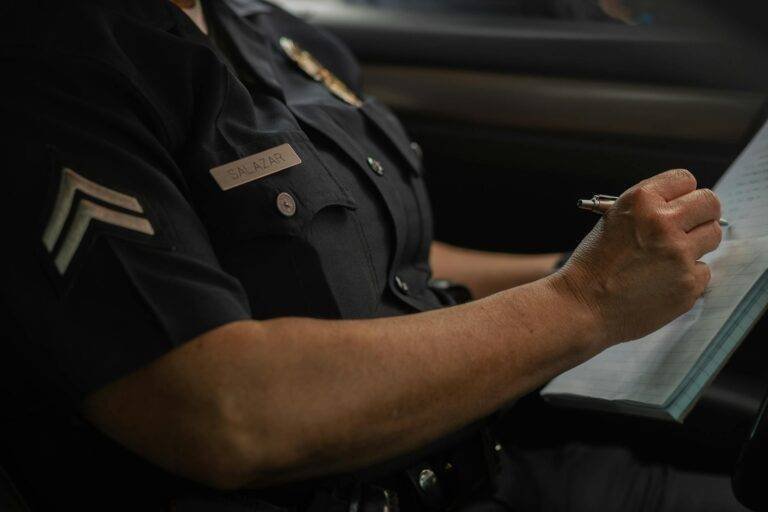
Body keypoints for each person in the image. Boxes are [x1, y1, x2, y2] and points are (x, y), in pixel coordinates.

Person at [0, 0, 747, 510]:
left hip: (492, 460)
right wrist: (584, 301)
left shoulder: (259, 28)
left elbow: (400, 267)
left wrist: (593, 265)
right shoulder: (52, 66)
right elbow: (227, 409)